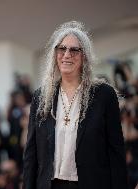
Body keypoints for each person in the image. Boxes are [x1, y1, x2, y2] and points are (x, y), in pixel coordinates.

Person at [23, 21, 128, 189]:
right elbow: (31, 155)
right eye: (62, 48)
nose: (66, 55)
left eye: (74, 50)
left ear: (84, 56)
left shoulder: (104, 95)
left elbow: (116, 152)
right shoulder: (40, 97)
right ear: (55, 54)